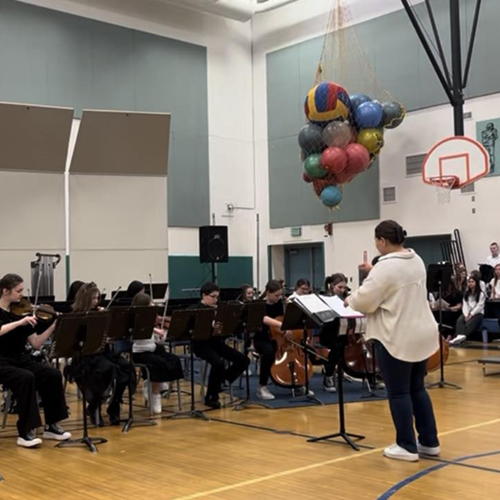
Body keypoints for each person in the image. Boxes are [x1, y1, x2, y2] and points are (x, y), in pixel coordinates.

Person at [346, 220, 440, 462]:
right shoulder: (415, 259)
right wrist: (373, 271)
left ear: (382, 241)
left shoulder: (385, 268)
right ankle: (429, 442)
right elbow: (392, 283)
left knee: (398, 393)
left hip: (397, 336)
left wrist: (350, 298)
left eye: (376, 241)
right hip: (421, 333)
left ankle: (406, 446)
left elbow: (365, 301)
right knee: (417, 388)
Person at [0, 273, 71, 447]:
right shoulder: (15, 318)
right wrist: (18, 323)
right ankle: (25, 432)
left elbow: (37, 343)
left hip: (19, 358)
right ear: (5, 291)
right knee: (26, 377)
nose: (21, 295)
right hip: (1, 361)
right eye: (18, 291)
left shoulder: (21, 312)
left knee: (52, 374)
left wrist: (54, 326)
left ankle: (52, 425)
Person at [67, 282, 134, 425]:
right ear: (85, 299)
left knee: (126, 368)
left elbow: (110, 334)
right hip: (85, 356)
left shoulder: (101, 313)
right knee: (108, 369)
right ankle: (93, 407)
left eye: (98, 298)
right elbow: (73, 342)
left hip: (104, 353)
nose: (96, 302)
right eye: (93, 299)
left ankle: (114, 406)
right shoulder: (76, 316)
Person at [191, 282, 249, 409]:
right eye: (213, 297)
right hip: (200, 345)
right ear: (204, 295)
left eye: (217, 297)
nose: (216, 300)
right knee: (218, 363)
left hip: (216, 343)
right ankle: (211, 396)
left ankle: (223, 381)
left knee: (243, 360)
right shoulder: (195, 309)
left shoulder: (219, 310)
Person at [131, 293, 183, 414]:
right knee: (158, 363)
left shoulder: (151, 320)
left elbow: (156, 340)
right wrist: (153, 329)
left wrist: (162, 336)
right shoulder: (134, 321)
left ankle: (154, 385)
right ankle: (155, 393)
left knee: (174, 359)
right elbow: (137, 335)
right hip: (140, 353)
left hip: (152, 349)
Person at [450, 275, 486, 345]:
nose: (470, 283)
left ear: (476, 283)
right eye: (469, 282)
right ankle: (459, 336)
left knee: (470, 323)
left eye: (472, 282)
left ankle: (460, 336)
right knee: (459, 320)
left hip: (478, 313)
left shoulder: (481, 294)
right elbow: (465, 304)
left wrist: (471, 314)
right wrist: (466, 314)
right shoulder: (466, 293)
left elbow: (480, 306)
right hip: (467, 312)